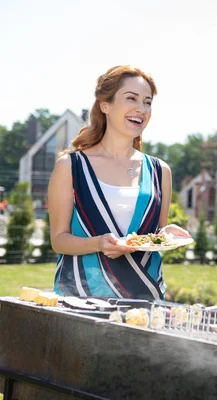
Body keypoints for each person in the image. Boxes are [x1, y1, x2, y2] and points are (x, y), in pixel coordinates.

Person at [48, 65, 190, 300]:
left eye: (147, 102)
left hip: (146, 300)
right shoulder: (70, 167)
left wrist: (167, 233)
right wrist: (99, 243)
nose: (141, 108)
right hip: (81, 299)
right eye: (131, 98)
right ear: (106, 105)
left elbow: (154, 234)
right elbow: (59, 240)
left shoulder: (160, 171)